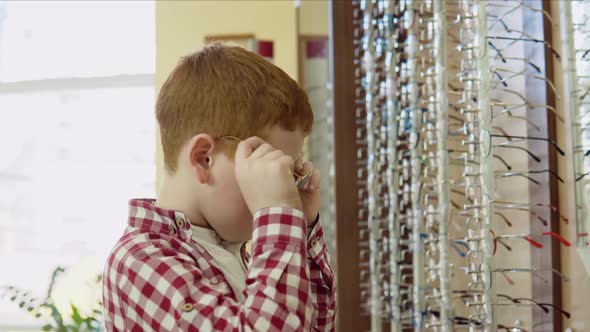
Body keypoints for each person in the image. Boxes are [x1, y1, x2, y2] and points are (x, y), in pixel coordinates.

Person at [102, 43, 336, 331]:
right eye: (265, 169)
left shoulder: (232, 250)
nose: (278, 186)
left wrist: (301, 225)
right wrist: (278, 215)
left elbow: (314, 326)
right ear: (204, 159)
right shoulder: (140, 261)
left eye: (285, 174)